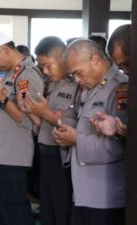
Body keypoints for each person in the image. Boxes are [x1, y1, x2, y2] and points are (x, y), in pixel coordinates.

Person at [53, 39, 128, 225]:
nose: (77, 80)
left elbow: (121, 145)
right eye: (72, 76)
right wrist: (67, 132)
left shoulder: (120, 88)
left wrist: (76, 139)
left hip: (105, 196)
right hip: (83, 190)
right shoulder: (90, 88)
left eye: (78, 73)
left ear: (95, 59)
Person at [0, 31, 44, 225]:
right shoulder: (9, 72)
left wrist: (0, 97)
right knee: (3, 207)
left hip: (12, 153)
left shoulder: (27, 73)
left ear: (6, 50)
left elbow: (28, 120)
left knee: (15, 208)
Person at [19, 36, 76, 225]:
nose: (44, 71)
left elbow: (75, 126)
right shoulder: (51, 83)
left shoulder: (77, 85)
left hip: (62, 157)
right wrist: (33, 112)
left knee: (62, 209)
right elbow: (44, 122)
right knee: (48, 209)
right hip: (45, 152)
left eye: (47, 65)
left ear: (62, 58)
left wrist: (44, 112)